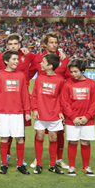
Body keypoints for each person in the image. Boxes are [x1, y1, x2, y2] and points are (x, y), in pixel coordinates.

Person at [29, 31, 70, 169]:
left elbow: (69, 78)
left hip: (57, 103)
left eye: (56, 42)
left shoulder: (64, 59)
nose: (54, 45)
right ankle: (38, 159)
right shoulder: (38, 59)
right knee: (39, 133)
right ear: (45, 44)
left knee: (58, 133)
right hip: (42, 103)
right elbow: (27, 74)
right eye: (51, 42)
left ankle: (58, 159)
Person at [0, 34, 37, 166]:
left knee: (20, 131)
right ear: (7, 46)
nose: (13, 46)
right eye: (10, 44)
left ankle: (20, 159)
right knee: (6, 133)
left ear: (20, 45)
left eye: (15, 44)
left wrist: (60, 53)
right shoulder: (0, 58)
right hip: (6, 101)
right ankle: (6, 156)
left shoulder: (28, 56)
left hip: (21, 99)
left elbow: (42, 60)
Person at [0, 51, 31, 175]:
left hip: (18, 112)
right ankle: (4, 163)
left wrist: (27, 111)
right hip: (3, 112)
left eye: (17, 59)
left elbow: (24, 94)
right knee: (4, 138)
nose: (17, 61)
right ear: (6, 61)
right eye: (14, 59)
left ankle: (20, 165)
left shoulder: (21, 75)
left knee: (19, 138)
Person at [61, 59, 95, 177]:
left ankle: (86, 167)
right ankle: (72, 167)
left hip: (88, 120)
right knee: (72, 141)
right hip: (73, 120)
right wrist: (73, 117)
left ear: (82, 71)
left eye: (75, 71)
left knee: (85, 142)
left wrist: (87, 117)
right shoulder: (67, 83)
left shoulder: (91, 84)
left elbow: (94, 103)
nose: (73, 74)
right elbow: (64, 102)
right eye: (71, 72)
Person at [31, 54, 65, 175]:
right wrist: (34, 109)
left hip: (54, 113)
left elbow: (62, 98)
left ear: (50, 66)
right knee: (39, 136)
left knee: (53, 137)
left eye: (43, 62)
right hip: (40, 112)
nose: (41, 63)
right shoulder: (39, 78)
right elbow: (34, 94)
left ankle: (52, 164)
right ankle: (39, 163)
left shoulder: (60, 80)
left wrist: (61, 111)